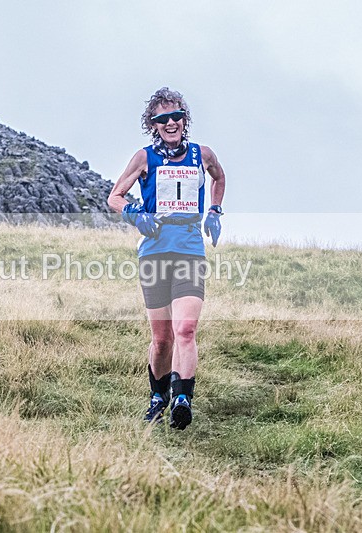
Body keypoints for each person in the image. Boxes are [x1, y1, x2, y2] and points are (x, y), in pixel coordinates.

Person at [107, 87, 226, 430]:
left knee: (185, 329)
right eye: (163, 119)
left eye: (176, 116)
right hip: (155, 251)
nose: (171, 123)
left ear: (184, 120)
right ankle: (157, 397)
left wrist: (215, 210)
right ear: (153, 124)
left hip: (189, 248)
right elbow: (114, 197)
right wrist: (135, 214)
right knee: (162, 339)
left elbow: (219, 176)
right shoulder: (144, 158)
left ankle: (182, 399)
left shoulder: (201, 154)